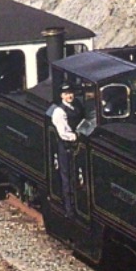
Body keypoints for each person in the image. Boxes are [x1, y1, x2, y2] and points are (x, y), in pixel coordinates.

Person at [51, 85, 84, 216]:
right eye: (66, 93)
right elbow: (63, 132)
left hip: (76, 145)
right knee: (67, 176)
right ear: (62, 96)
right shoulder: (59, 111)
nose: (70, 96)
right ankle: (69, 208)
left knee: (75, 175)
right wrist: (75, 137)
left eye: (71, 93)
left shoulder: (76, 106)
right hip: (67, 146)